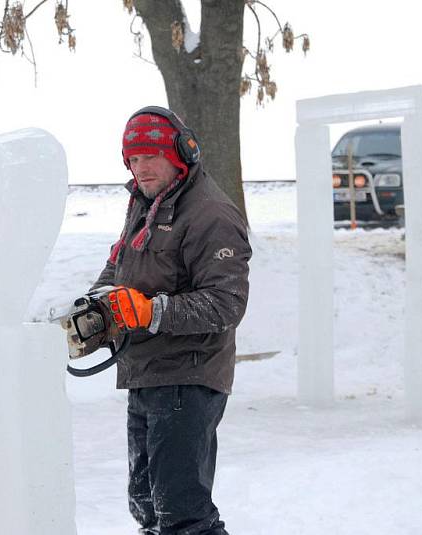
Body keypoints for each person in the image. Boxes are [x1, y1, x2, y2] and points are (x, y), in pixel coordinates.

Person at [89, 106, 251, 534]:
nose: (140, 169)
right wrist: (98, 306)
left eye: (149, 157)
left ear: (181, 154)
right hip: (146, 372)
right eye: (133, 159)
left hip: (188, 378)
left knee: (182, 514)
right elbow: (120, 269)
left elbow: (226, 302)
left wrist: (152, 312)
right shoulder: (147, 204)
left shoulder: (210, 214)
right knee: (147, 507)